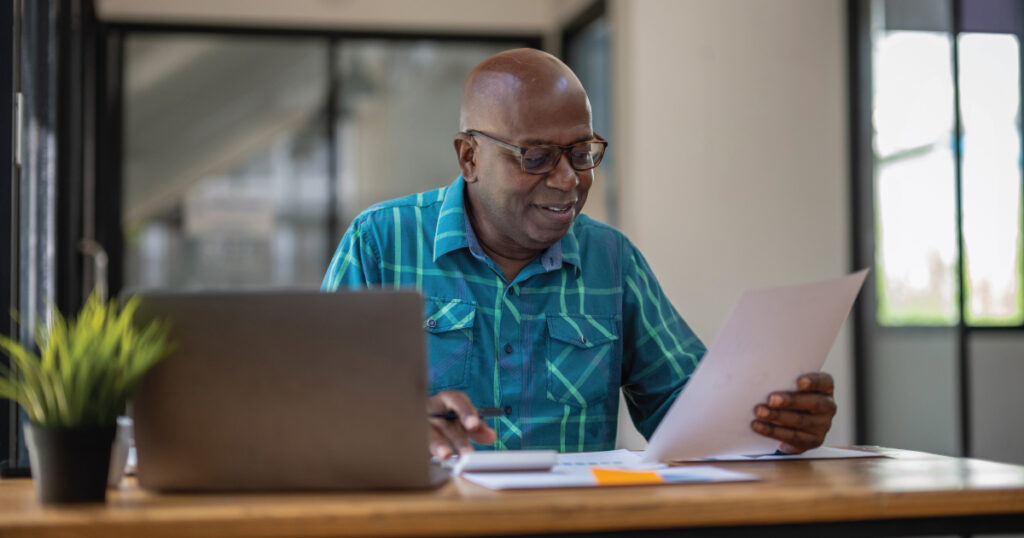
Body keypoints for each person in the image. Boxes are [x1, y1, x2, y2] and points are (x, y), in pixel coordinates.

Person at [321, 48, 837, 460]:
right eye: (537, 156)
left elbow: (691, 418)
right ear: (470, 157)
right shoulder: (381, 244)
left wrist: (775, 424)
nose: (568, 179)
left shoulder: (612, 262)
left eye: (581, 153)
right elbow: (310, 412)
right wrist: (394, 421)